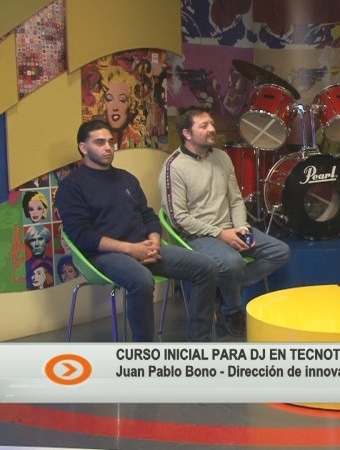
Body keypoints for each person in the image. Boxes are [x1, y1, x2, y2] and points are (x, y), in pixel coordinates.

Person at [55, 120, 218, 342]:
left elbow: (148, 215)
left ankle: (200, 342)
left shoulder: (126, 178)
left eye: (111, 142)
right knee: (141, 280)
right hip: (104, 255)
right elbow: (82, 237)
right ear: (83, 148)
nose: (108, 147)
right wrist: (131, 249)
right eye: (100, 142)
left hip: (144, 247)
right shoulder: (71, 187)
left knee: (206, 267)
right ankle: (143, 351)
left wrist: (154, 241)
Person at [160, 107, 290, 337]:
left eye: (211, 123)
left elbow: (235, 199)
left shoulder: (222, 157)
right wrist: (220, 234)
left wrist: (241, 227)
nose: (212, 128)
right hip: (197, 236)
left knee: (280, 252)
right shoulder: (174, 167)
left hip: (231, 228)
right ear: (187, 133)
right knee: (232, 263)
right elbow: (178, 218)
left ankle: (221, 288)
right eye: (204, 125)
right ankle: (232, 310)